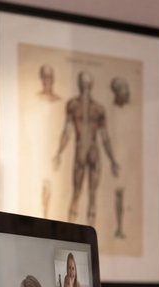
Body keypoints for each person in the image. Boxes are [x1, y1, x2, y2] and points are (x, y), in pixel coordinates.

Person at [53, 70, 120, 225]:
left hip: (85, 151)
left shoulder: (85, 107)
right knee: (85, 195)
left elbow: (69, 132)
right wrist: (58, 153)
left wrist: (59, 153)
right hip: (89, 151)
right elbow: (104, 138)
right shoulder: (89, 108)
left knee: (85, 194)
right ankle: (72, 237)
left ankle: (77, 239)